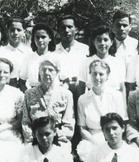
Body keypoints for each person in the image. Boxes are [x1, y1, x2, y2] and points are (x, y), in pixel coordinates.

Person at [77, 60, 127, 162]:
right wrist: (94, 141)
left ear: (107, 76)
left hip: (113, 136)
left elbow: (121, 125)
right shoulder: (83, 99)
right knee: (87, 153)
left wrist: (109, 140)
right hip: (91, 139)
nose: (97, 77)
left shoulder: (116, 96)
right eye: (94, 74)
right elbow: (82, 129)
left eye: (101, 74)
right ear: (90, 75)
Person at [22, 57, 74, 152]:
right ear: (39, 73)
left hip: (58, 138)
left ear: (57, 72)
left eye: (50, 70)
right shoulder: (29, 94)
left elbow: (69, 123)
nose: (46, 73)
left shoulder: (66, 95)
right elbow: (25, 122)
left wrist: (57, 135)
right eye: (43, 70)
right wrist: (33, 137)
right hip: (35, 138)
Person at [56, 14, 89, 153]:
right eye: (63, 27)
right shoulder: (54, 50)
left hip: (81, 91)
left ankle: (80, 148)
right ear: (58, 30)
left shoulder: (85, 49)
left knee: (81, 121)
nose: (66, 30)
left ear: (76, 29)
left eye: (70, 26)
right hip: (61, 92)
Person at [79, 26, 126, 100]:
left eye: (106, 40)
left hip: (113, 101)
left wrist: (124, 109)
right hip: (92, 102)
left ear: (111, 42)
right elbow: (81, 88)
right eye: (99, 40)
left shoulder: (118, 62)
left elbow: (122, 88)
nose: (102, 43)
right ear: (94, 42)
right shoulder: (86, 62)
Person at [19, 23, 57, 92]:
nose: (40, 40)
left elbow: (65, 81)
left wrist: (58, 94)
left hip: (53, 94)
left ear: (50, 38)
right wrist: (29, 95)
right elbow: (21, 82)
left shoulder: (56, 57)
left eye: (43, 37)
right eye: (37, 37)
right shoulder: (28, 58)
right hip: (34, 96)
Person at [112, 10, 138, 92]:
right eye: (118, 25)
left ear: (130, 27)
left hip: (133, 89)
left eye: (125, 25)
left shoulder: (137, 45)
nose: (121, 28)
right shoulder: (108, 45)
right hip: (114, 88)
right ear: (113, 26)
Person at [2, 17, 32, 88]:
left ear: (24, 32)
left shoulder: (30, 53)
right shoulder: (1, 52)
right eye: (12, 30)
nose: (15, 33)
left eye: (19, 30)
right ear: (7, 31)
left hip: (27, 91)